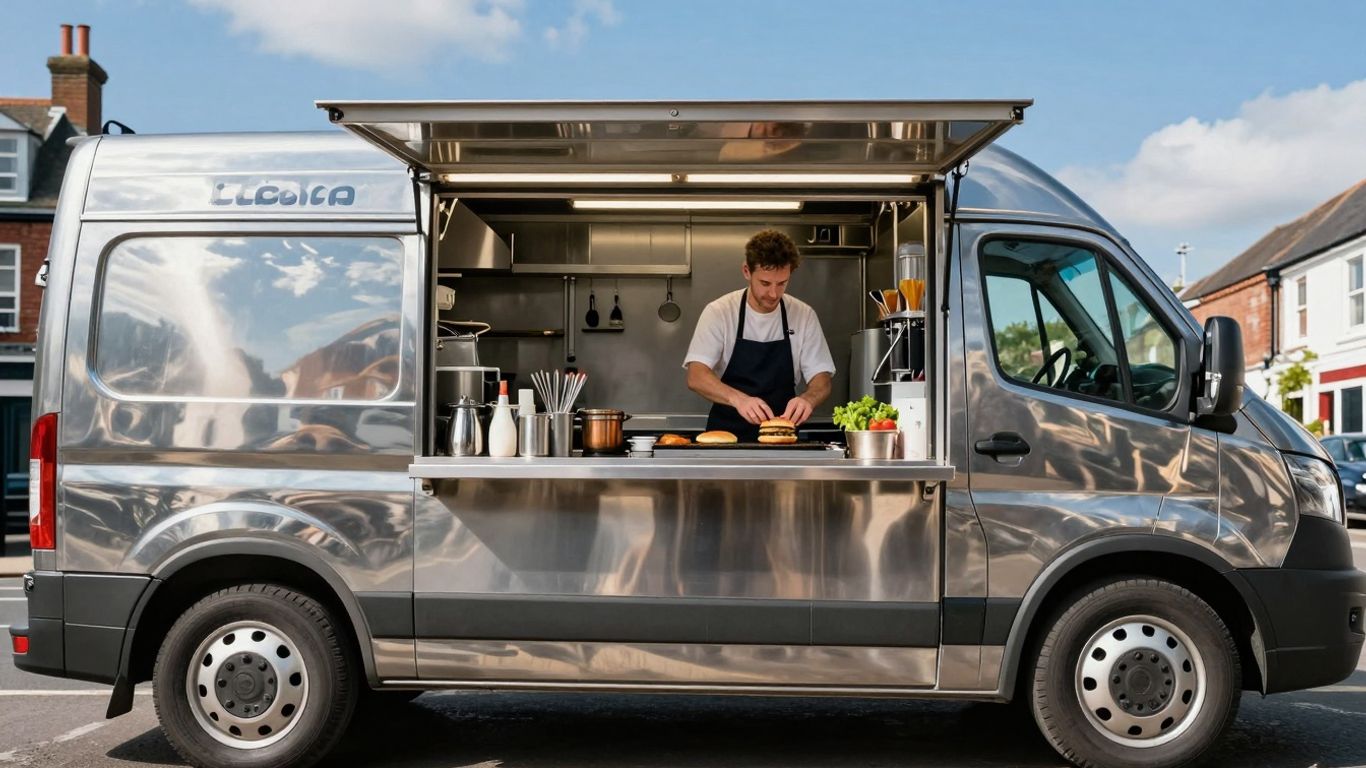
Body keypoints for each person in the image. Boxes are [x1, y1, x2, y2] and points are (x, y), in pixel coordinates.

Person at [684, 229, 835, 442]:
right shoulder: (719, 312)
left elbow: (822, 378)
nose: (774, 294)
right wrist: (739, 399)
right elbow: (696, 376)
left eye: (782, 283)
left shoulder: (803, 315)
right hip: (726, 438)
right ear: (747, 271)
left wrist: (808, 399)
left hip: (781, 436)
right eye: (765, 283)